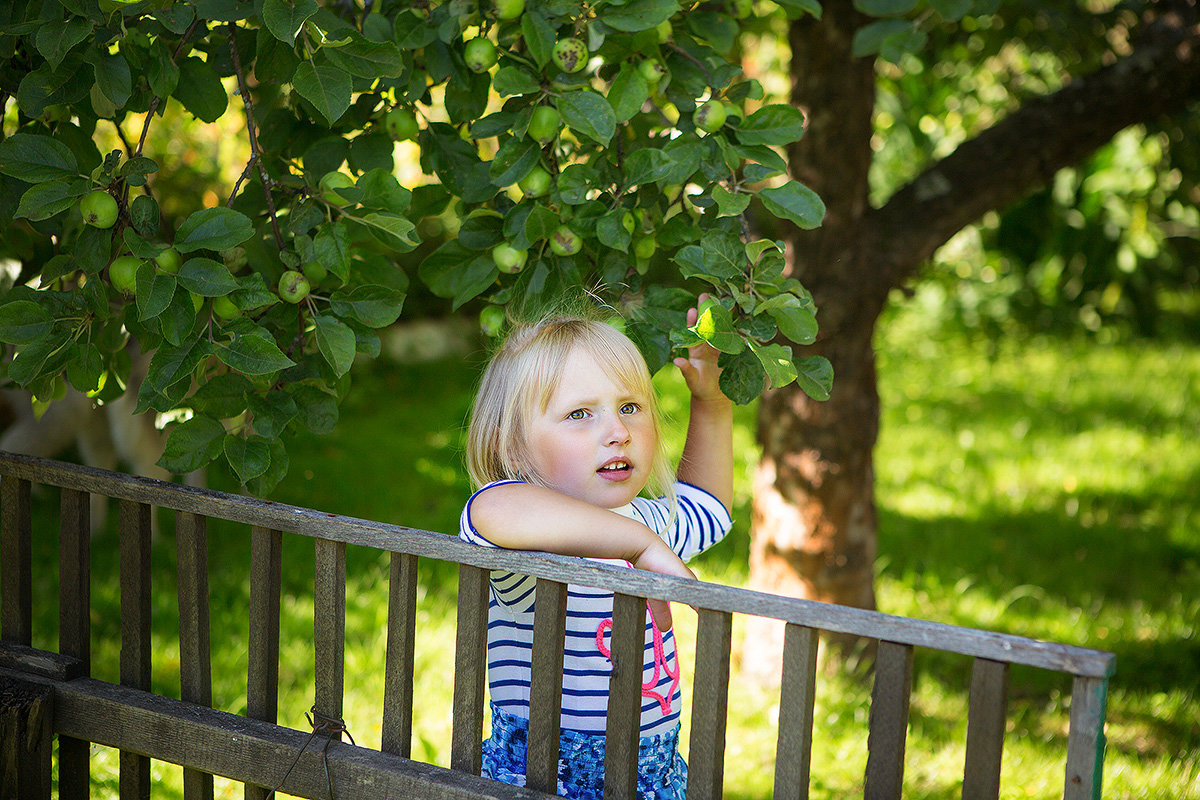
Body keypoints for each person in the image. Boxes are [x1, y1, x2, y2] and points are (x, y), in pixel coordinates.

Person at [459, 297, 734, 800]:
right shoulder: (527, 540)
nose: (618, 432)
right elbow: (488, 510)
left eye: (630, 407)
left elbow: (709, 507)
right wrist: (640, 546)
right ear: (510, 445)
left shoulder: (645, 517)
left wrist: (711, 402)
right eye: (580, 414)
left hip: (649, 777)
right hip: (542, 782)